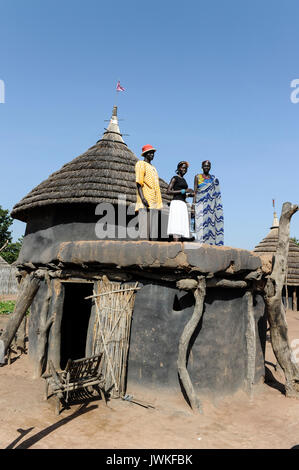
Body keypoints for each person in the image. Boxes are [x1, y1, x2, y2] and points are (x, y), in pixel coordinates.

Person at [192, 160, 224, 245]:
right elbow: (195, 192)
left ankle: (210, 244)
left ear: (210, 167)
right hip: (200, 204)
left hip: (211, 206)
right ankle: (200, 243)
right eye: (205, 166)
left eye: (208, 166)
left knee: (210, 225)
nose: (206, 167)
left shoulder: (213, 179)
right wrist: (193, 205)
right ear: (202, 167)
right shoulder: (197, 177)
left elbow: (216, 193)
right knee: (200, 224)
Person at [135, 144, 163, 240]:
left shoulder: (153, 168)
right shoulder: (140, 164)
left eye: (153, 153)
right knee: (144, 229)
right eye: (150, 153)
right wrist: (143, 198)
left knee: (153, 230)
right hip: (145, 200)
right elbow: (139, 182)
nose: (152, 154)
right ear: (145, 154)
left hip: (154, 201)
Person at [167, 161, 194, 241]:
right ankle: (176, 245)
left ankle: (180, 246)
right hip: (176, 203)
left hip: (182, 204)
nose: (184, 169)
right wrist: (184, 190)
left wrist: (189, 195)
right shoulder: (175, 178)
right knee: (176, 225)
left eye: (186, 168)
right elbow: (168, 191)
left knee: (181, 226)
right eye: (183, 167)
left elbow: (182, 194)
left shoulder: (184, 180)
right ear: (178, 168)